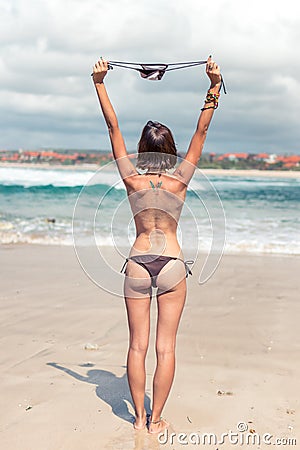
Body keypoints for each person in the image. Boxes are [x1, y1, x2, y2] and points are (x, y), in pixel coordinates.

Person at [92, 56, 222, 433]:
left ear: (141, 149)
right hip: (171, 264)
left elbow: (111, 125)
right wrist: (214, 85)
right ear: (171, 151)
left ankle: (136, 418)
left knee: (136, 347)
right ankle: (156, 418)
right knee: (165, 347)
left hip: (137, 262)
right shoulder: (180, 180)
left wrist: (99, 82)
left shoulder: (131, 179)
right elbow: (202, 133)